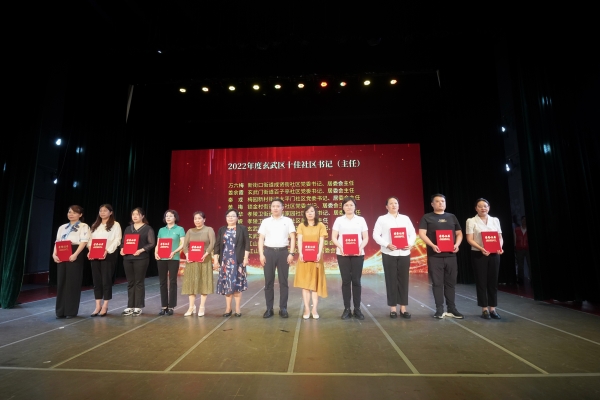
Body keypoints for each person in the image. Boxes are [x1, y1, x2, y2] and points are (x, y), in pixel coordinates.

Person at [418, 194, 464, 319]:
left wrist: (457, 245)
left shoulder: (452, 217)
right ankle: (439, 309)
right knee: (437, 283)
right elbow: (422, 233)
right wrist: (433, 245)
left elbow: (459, 234)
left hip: (451, 256)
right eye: (437, 201)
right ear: (432, 204)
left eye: (442, 201)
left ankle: (452, 308)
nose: (440, 203)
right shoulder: (427, 217)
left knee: (450, 283)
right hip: (435, 256)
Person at [373, 196, 416, 319]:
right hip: (389, 253)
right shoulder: (382, 219)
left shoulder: (405, 218)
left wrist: (410, 244)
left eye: (396, 203)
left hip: (404, 253)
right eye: (391, 203)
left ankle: (403, 308)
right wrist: (387, 244)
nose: (394, 205)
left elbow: (412, 233)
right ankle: (392, 308)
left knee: (404, 280)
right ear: (386, 206)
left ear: (398, 205)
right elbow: (375, 235)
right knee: (391, 280)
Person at [331, 197, 369, 320]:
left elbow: (366, 237)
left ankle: (357, 309)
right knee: (346, 281)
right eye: (346, 205)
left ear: (355, 207)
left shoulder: (361, 220)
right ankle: (347, 309)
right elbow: (334, 237)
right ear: (343, 207)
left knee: (356, 281)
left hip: (358, 254)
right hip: (342, 254)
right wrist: (341, 247)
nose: (349, 207)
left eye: (351, 205)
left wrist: (360, 248)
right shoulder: (338, 220)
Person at [465, 198, 504, 319]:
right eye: (480, 206)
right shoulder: (471, 221)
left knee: (493, 281)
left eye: (485, 206)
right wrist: (481, 248)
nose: (483, 208)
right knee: (481, 281)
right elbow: (469, 239)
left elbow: (499, 237)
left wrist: (499, 247)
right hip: (479, 254)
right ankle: (484, 309)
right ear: (476, 208)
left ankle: (493, 308)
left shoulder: (495, 220)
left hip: (494, 254)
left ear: (489, 208)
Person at [258, 198, 296, 318]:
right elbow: (261, 238)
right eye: (273, 206)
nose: (275, 208)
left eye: (278, 206)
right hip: (268, 252)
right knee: (268, 282)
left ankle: (283, 308)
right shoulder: (265, 221)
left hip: (283, 252)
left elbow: (293, 237)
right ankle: (269, 309)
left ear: (282, 208)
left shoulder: (288, 221)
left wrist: (291, 253)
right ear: (270, 208)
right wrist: (261, 254)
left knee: (283, 281)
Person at [52, 205, 90, 319]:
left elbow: (84, 242)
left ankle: (70, 311)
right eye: (69, 212)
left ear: (80, 214)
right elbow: (57, 241)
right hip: (62, 250)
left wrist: (75, 254)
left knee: (72, 282)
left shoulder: (84, 226)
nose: (71, 214)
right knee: (61, 282)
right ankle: (60, 311)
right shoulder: (62, 227)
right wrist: (54, 254)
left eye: (74, 212)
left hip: (75, 251)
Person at [213, 208, 250, 317]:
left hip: (237, 260)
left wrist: (246, 258)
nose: (230, 218)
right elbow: (217, 245)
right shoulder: (222, 229)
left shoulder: (242, 229)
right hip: (225, 261)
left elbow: (247, 244)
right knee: (227, 284)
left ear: (237, 218)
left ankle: (237, 309)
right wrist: (216, 259)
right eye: (228, 216)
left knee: (237, 284)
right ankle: (228, 308)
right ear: (226, 218)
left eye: (233, 216)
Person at [87, 204, 122, 317]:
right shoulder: (95, 225)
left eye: (105, 211)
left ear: (110, 212)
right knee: (96, 280)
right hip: (95, 254)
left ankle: (105, 305)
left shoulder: (115, 224)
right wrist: (90, 250)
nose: (102, 212)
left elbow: (117, 239)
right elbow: (89, 240)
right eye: (100, 210)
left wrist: (108, 250)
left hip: (108, 254)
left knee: (106, 280)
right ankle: (97, 305)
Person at [120, 207, 155, 317]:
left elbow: (151, 243)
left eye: (137, 214)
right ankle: (130, 306)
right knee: (130, 282)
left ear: (142, 216)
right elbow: (123, 242)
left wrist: (140, 250)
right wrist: (122, 249)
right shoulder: (128, 228)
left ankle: (138, 306)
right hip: (128, 258)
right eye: (133, 214)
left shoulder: (147, 228)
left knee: (139, 282)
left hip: (141, 258)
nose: (135, 216)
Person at [294, 205, 328, 319]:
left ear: (315, 213)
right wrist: (301, 253)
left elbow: (321, 241)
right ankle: (307, 309)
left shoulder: (320, 225)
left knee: (314, 285)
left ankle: (314, 309)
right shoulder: (301, 226)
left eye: (312, 211)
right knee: (305, 285)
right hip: (304, 258)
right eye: (307, 211)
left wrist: (319, 253)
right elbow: (299, 240)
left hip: (316, 258)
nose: (310, 213)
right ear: (305, 214)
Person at [182, 211, 216, 317]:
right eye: (195, 218)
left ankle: (202, 306)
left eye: (199, 218)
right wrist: (187, 256)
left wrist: (206, 254)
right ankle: (191, 307)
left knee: (203, 283)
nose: (197, 220)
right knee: (191, 284)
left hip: (204, 260)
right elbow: (185, 246)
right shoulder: (190, 231)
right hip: (192, 261)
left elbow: (212, 243)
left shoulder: (209, 229)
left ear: (204, 219)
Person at [155, 209, 185, 316]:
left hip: (174, 258)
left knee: (172, 282)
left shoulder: (180, 229)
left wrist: (174, 252)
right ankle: (164, 306)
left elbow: (183, 244)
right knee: (162, 282)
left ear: (175, 218)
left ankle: (171, 306)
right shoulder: (161, 230)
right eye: (166, 216)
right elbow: (158, 244)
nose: (168, 218)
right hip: (161, 258)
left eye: (171, 216)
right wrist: (156, 253)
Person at [514, 216, 530, 285]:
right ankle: (521, 279)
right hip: (519, 249)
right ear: (521, 221)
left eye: (525, 220)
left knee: (530, 264)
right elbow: (515, 239)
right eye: (523, 220)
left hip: (528, 249)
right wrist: (515, 247)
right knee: (520, 265)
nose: (524, 221)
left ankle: (532, 278)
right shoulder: (517, 229)